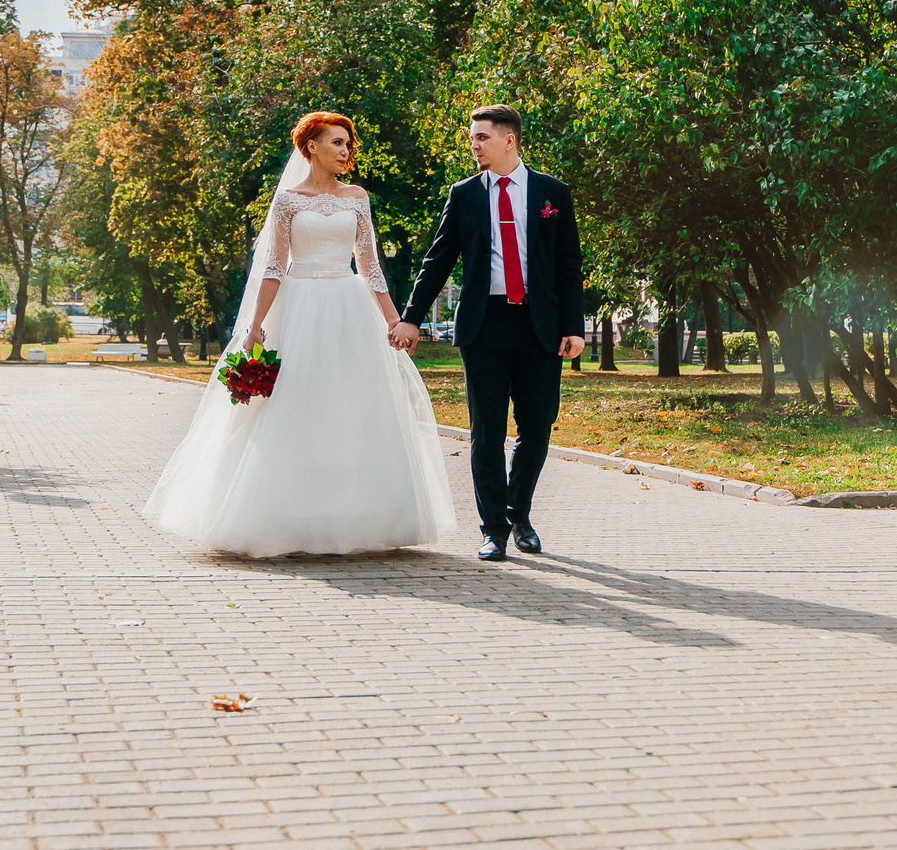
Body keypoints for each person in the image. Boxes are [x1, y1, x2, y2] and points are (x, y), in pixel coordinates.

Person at [143, 112, 454, 557]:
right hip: (299, 306)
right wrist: (255, 326)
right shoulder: (288, 201)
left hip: (348, 308)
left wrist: (392, 319)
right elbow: (274, 267)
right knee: (295, 405)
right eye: (337, 142)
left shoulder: (357, 198)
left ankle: (354, 515)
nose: (345, 151)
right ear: (311, 147)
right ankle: (287, 516)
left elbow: (369, 265)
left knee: (350, 407)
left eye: (348, 143)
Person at [391, 105, 585, 562]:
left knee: (537, 425)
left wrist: (574, 327)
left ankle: (520, 514)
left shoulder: (552, 192)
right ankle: (494, 528)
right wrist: (411, 317)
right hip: (484, 324)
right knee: (486, 430)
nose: (474, 145)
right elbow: (438, 260)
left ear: (508, 140)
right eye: (472, 137)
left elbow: (568, 264)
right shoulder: (464, 195)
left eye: (481, 137)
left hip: (540, 325)